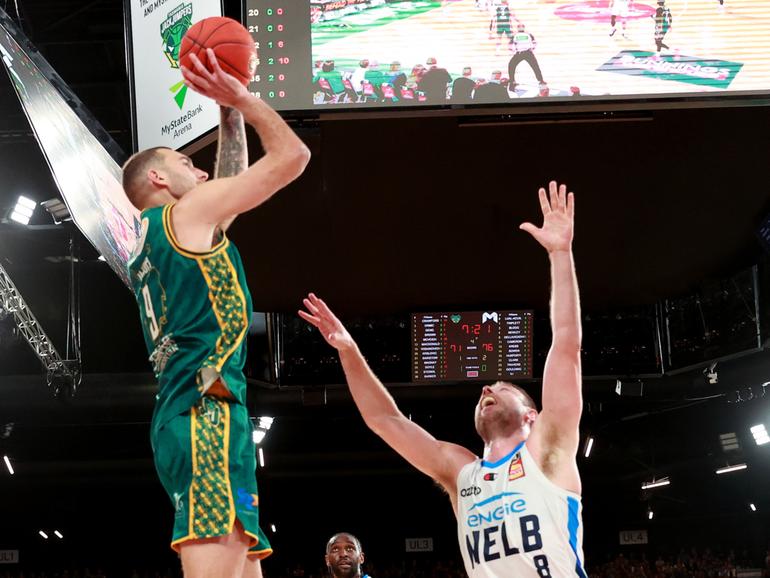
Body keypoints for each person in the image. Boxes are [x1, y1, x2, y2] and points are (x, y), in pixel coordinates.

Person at [300, 182, 585, 576]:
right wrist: (348, 351)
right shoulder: (460, 471)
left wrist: (560, 254)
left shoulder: (548, 450)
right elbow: (385, 420)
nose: (486, 388)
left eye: (502, 388)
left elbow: (567, 346)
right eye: (487, 387)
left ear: (531, 415)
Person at [122, 48, 310, 578]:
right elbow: (293, 158)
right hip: (205, 412)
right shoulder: (182, 215)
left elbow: (226, 192)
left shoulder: (161, 236)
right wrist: (243, 100)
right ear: (158, 182)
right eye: (185, 163)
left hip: (198, 409)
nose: (200, 170)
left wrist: (227, 118)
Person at [508, 24, 547, 93]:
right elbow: (511, 44)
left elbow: (534, 42)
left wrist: (532, 48)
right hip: (521, 53)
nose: (520, 28)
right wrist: (514, 50)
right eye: (519, 27)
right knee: (511, 65)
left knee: (535, 66)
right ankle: (512, 81)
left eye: (521, 27)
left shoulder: (526, 35)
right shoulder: (517, 35)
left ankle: (541, 81)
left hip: (527, 52)